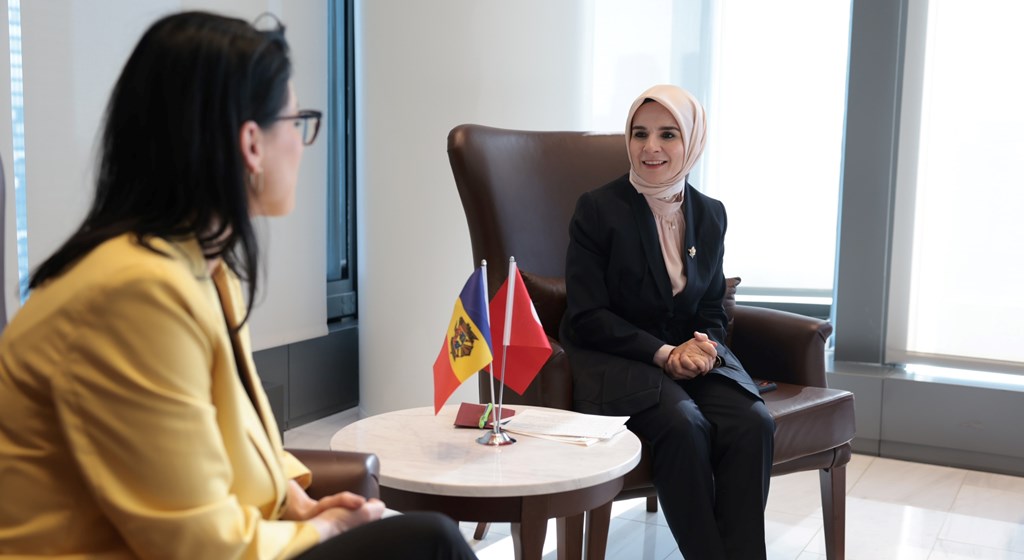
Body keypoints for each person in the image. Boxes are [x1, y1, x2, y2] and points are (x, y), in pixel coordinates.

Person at [0, 11, 476, 560]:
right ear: (251, 143)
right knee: (432, 541)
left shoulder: (198, 269)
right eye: (296, 122)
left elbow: (222, 440)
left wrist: (298, 504)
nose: (302, 143)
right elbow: (199, 546)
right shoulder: (135, 294)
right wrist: (325, 531)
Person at [560, 84, 775, 559]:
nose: (650, 147)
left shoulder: (710, 214)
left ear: (692, 141)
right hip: (619, 359)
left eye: (668, 134)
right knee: (684, 424)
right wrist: (663, 354)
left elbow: (712, 305)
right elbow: (587, 316)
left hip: (689, 358)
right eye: (640, 133)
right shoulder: (598, 209)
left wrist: (705, 346)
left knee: (753, 422)